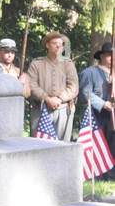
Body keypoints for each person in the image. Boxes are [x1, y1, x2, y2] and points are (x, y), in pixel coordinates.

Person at [26, 31, 79, 140]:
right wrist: (47, 98)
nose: (58, 46)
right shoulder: (36, 64)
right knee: (38, 145)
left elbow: (73, 86)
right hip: (40, 109)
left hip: (63, 109)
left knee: (62, 146)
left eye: (61, 43)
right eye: (55, 43)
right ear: (47, 45)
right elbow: (31, 84)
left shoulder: (68, 64)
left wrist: (60, 98)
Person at [80, 42, 115, 175]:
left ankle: (112, 175)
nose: (111, 59)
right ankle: (98, 175)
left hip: (113, 114)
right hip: (97, 114)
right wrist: (102, 104)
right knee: (98, 144)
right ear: (101, 56)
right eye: (108, 56)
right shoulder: (90, 72)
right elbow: (85, 92)